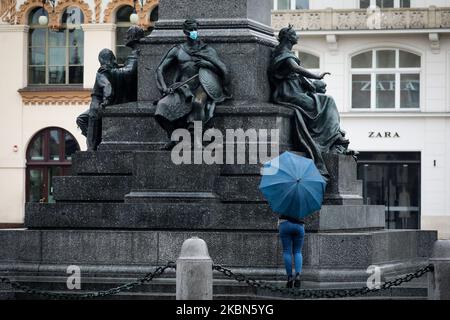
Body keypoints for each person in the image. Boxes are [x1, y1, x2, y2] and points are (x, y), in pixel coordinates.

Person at [268, 25, 356, 180]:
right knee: (324, 103)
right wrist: (317, 76)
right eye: (295, 34)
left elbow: (298, 75)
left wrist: (313, 85)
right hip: (288, 93)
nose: (297, 36)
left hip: (296, 90)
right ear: (288, 37)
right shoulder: (283, 53)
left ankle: (334, 136)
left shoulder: (286, 53)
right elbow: (296, 69)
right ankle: (331, 138)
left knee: (327, 100)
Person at [155, 19, 231, 150]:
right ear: (185, 32)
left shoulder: (207, 49)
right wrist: (164, 88)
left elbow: (222, 69)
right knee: (161, 106)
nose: (194, 32)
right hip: (183, 87)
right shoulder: (177, 50)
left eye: (195, 29)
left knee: (198, 103)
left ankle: (197, 140)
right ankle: (174, 137)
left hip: (202, 85)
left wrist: (207, 64)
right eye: (191, 30)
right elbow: (160, 69)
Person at [76, 49, 116, 151]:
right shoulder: (112, 70)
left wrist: (107, 100)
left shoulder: (102, 71)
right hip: (99, 101)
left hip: (97, 102)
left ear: (102, 59)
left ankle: (92, 145)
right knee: (81, 119)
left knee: (91, 124)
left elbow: (107, 85)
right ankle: (95, 138)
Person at [278, 215, 305, 288]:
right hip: (299, 225)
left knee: (287, 252)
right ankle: (298, 275)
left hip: (284, 224)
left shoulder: (283, 203)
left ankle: (290, 277)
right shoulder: (301, 203)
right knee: (298, 251)